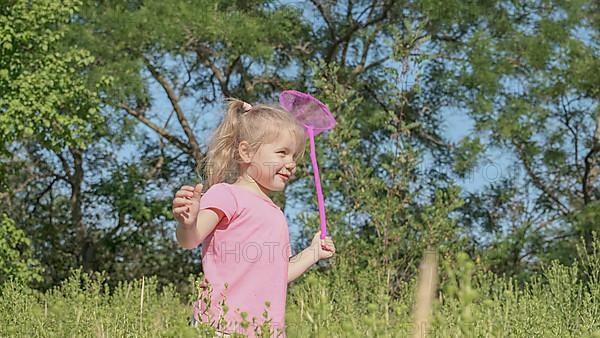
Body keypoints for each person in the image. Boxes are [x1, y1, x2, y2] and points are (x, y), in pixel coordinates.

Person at [172, 98, 336, 337]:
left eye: (294, 157)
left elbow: (278, 273)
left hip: (265, 330)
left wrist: (313, 253)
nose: (291, 164)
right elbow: (189, 240)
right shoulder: (226, 195)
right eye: (282, 153)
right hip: (222, 326)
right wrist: (187, 223)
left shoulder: (275, 213)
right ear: (247, 152)